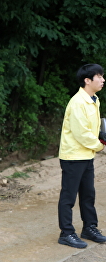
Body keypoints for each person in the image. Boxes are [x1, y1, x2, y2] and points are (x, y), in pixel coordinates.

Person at [57, 64, 106, 248]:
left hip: (86, 155)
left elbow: (92, 128)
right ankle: (66, 233)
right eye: (99, 76)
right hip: (73, 156)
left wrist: (100, 137)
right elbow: (81, 133)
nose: (103, 80)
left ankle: (89, 228)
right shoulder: (77, 102)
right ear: (87, 80)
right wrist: (100, 146)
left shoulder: (94, 100)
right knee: (68, 197)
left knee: (88, 194)